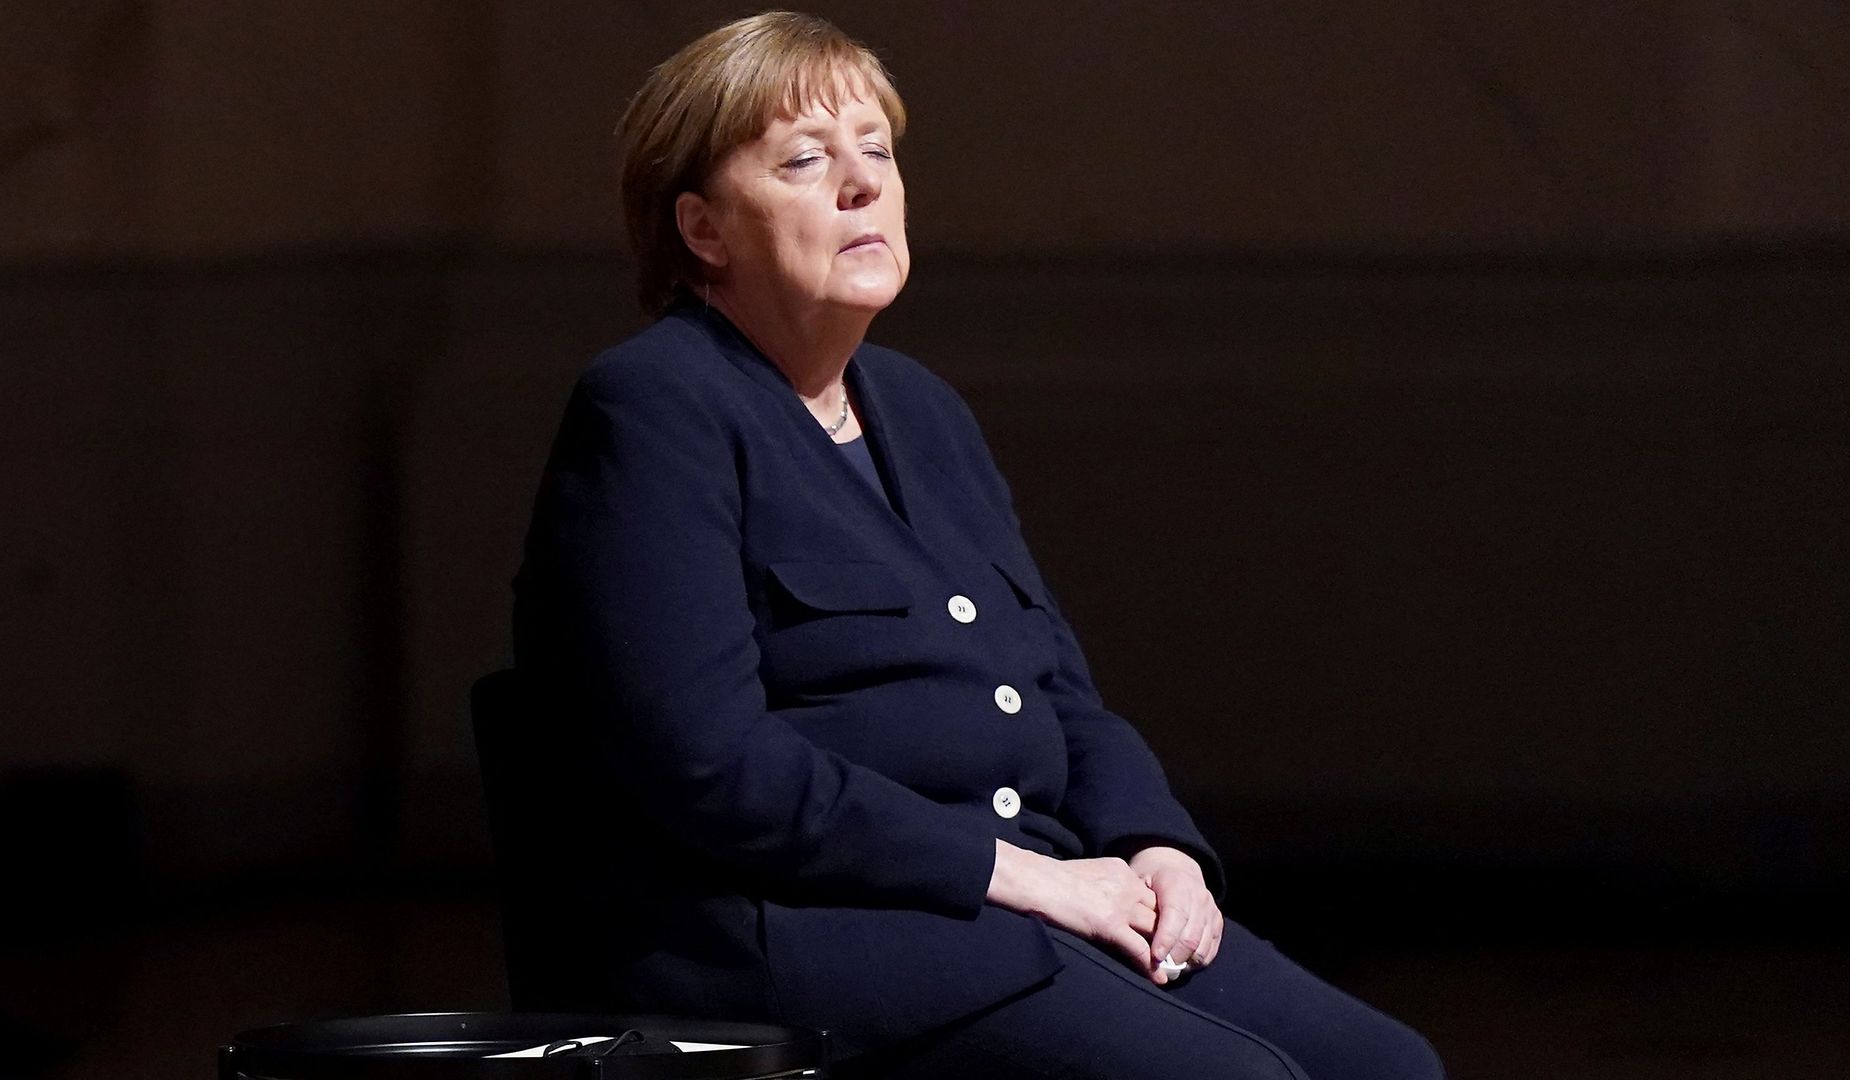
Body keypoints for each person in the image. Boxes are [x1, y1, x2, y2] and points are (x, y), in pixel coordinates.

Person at [506, 11, 1443, 1079]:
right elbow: (710, 764)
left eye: (878, 151)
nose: (861, 185)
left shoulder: (920, 407)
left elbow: (1055, 692)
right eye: (807, 161)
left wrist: (1157, 846)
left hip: (1018, 904)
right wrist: (1015, 873)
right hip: (813, 940)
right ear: (704, 230)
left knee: (1388, 1065)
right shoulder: (656, 406)